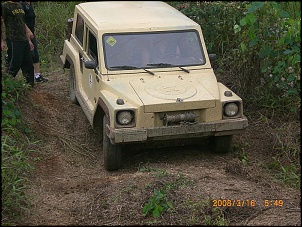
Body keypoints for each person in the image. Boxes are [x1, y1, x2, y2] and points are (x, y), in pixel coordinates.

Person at [1, 1, 35, 87]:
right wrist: (1, 40)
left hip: (23, 39)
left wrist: (29, 40)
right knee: (15, 63)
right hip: (13, 39)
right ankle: (6, 84)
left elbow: (22, 23)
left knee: (28, 64)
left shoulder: (20, 6)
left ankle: (29, 85)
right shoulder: (5, 6)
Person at [19, 1, 48, 82]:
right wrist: (28, 32)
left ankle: (37, 75)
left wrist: (33, 31)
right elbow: (21, 21)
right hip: (25, 34)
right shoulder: (21, 5)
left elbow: (31, 20)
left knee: (35, 55)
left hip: (31, 32)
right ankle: (26, 77)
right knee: (28, 56)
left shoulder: (29, 5)